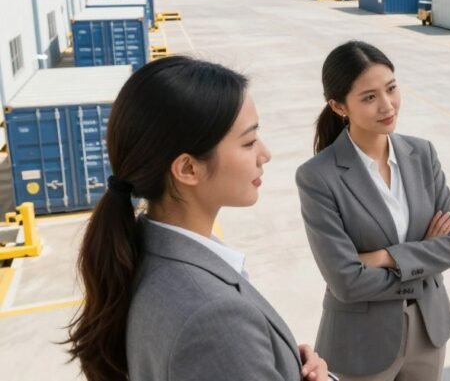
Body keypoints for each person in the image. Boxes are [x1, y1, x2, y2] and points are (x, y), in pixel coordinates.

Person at [66, 56, 330, 381]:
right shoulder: (215, 318)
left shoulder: (144, 255)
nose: (265, 154)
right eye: (248, 142)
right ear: (188, 169)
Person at [296, 41, 450, 380]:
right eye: (369, 97)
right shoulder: (318, 176)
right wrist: (421, 264)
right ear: (338, 106)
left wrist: (384, 256)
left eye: (391, 88)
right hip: (361, 341)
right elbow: (346, 281)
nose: (387, 105)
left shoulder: (422, 154)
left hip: (429, 329)